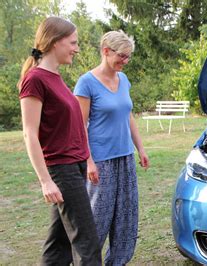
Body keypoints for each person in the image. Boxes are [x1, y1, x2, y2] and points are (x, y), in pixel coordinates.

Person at [18, 17, 101, 265]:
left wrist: (85, 161)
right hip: (61, 170)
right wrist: (46, 181)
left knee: (59, 243)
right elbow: (29, 133)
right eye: (73, 42)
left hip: (73, 167)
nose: (76, 48)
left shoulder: (55, 77)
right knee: (87, 242)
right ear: (55, 42)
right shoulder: (35, 79)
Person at [74, 30, 149, 265]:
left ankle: (117, 262)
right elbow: (80, 126)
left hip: (125, 157)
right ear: (106, 51)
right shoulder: (86, 83)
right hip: (100, 161)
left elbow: (128, 117)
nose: (125, 61)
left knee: (126, 218)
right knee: (98, 218)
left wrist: (140, 149)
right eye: (122, 56)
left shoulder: (123, 80)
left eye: (128, 57)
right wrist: (88, 161)